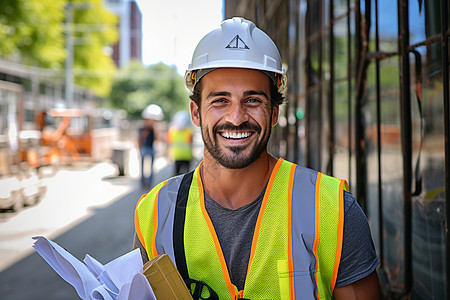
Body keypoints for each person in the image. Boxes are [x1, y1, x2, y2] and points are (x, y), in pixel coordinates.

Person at [133, 17, 380, 299]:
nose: (236, 117)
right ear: (196, 112)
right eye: (219, 100)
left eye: (253, 100)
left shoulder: (333, 210)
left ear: (274, 112)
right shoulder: (153, 215)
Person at [138, 104, 163, 187]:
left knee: (151, 167)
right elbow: (140, 138)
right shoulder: (142, 127)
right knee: (142, 166)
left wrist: (155, 129)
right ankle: (143, 181)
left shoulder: (154, 128)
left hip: (151, 148)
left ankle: (149, 182)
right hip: (144, 148)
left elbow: (158, 139)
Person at [166, 111, 194, 176]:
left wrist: (168, 155)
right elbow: (191, 144)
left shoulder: (172, 131)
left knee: (177, 176)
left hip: (178, 156)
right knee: (187, 176)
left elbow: (169, 144)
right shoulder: (189, 131)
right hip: (186, 156)